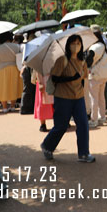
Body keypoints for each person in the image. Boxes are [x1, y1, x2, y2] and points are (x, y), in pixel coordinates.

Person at [40, 34, 95, 163]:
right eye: (73, 43)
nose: (76, 46)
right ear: (68, 45)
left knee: (83, 124)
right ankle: (47, 146)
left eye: (78, 43)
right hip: (63, 97)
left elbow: (84, 78)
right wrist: (70, 78)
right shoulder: (62, 60)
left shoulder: (82, 62)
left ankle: (84, 153)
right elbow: (54, 78)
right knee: (61, 126)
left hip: (78, 97)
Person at [88, 25, 107, 127]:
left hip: (95, 75)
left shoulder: (94, 47)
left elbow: (88, 61)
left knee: (93, 98)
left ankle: (94, 119)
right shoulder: (103, 45)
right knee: (101, 97)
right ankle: (102, 117)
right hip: (103, 75)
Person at [0, 32, 22, 113]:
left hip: (1, 69)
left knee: (3, 88)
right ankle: (12, 106)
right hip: (14, 68)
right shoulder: (16, 46)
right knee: (13, 86)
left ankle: (4, 107)